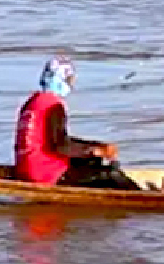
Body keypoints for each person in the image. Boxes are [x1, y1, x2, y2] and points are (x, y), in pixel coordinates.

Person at [13, 55, 141, 189]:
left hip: (25, 169)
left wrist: (95, 146)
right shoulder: (53, 105)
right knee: (109, 172)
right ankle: (138, 194)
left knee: (91, 161)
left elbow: (55, 140)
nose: (71, 85)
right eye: (69, 80)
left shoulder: (31, 102)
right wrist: (94, 150)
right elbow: (61, 146)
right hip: (45, 173)